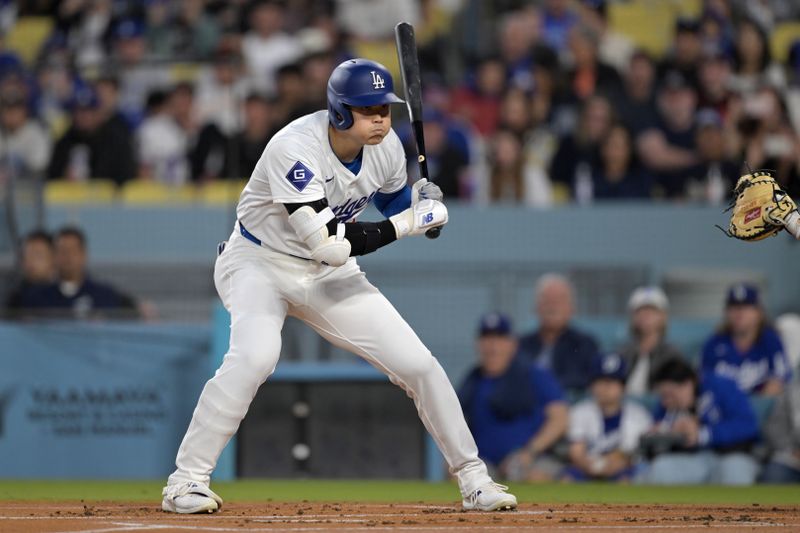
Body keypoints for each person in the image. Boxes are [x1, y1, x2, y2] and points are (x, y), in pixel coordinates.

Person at [161, 59, 517, 514]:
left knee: (419, 364)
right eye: (368, 111)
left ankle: (475, 480)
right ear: (340, 112)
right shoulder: (293, 148)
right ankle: (185, 482)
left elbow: (390, 201)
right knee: (255, 356)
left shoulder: (386, 147)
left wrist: (421, 200)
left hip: (328, 274)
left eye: (385, 110)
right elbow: (331, 243)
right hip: (258, 262)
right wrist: (410, 223)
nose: (381, 120)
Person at [459, 313, 568, 482]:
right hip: (484, 465)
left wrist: (529, 452)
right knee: (460, 476)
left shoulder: (533, 375)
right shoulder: (472, 380)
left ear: (512, 344)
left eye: (500, 338)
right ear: (478, 344)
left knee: (536, 477)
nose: (493, 346)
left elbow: (560, 418)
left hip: (530, 460)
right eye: (487, 338)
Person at [642, 358, 760, 485]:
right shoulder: (666, 406)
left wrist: (703, 434)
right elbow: (657, 433)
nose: (666, 401)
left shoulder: (721, 386)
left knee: (734, 472)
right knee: (662, 468)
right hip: (695, 460)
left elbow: (748, 426)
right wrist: (664, 433)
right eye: (663, 396)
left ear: (688, 384)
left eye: (670, 394)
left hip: (732, 456)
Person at [562, 353, 652, 482]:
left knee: (628, 479)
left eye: (613, 382)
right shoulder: (580, 411)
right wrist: (591, 466)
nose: (606, 387)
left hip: (624, 469)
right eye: (601, 381)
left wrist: (609, 466)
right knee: (567, 478)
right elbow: (576, 452)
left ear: (623, 386)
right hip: (586, 467)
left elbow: (628, 455)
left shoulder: (639, 415)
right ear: (592, 385)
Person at [701, 283, 791, 396]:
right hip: (726, 411)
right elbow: (705, 385)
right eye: (733, 307)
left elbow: (779, 381)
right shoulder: (714, 345)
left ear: (759, 313)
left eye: (746, 307)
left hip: (764, 410)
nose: (739, 313)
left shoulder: (771, 341)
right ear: (726, 313)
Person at [519, 273, 600, 392]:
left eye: (559, 300)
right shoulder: (521, 345)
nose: (552, 307)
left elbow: (587, 382)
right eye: (547, 300)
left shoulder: (585, 345)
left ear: (572, 308)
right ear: (536, 307)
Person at [618, 286, 684, 396]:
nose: (646, 315)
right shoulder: (622, 352)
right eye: (640, 311)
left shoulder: (672, 354)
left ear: (663, 316)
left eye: (652, 311)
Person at [4, 230, 56, 318]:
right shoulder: (13, 297)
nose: (30, 262)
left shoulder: (63, 295)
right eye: (26, 256)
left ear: (53, 259)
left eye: (38, 255)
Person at [761, 380, 800, 483]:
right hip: (792, 457)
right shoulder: (791, 392)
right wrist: (792, 450)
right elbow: (775, 427)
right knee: (774, 475)